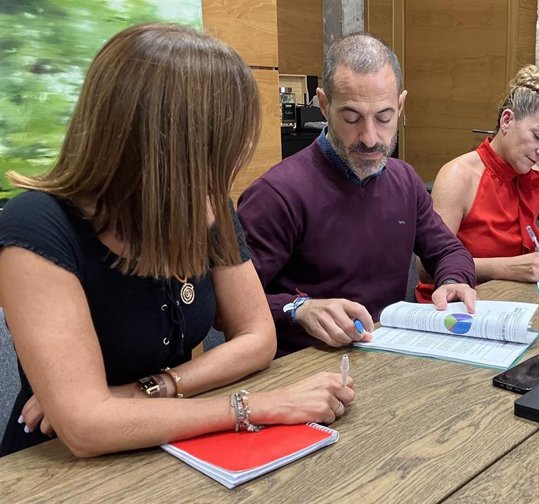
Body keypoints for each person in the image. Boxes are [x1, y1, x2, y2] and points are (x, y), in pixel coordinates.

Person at [0, 23, 354, 458]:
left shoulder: (205, 204)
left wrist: (151, 389)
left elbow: (257, 336)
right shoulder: (36, 227)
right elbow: (86, 428)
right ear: (174, 147)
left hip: (176, 446)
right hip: (54, 469)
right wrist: (255, 406)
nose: (239, 153)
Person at [237, 33, 477, 356]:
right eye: (351, 118)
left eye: (384, 117)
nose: (369, 138)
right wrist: (298, 309)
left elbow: (449, 251)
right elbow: (228, 308)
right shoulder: (278, 194)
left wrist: (453, 281)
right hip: (303, 371)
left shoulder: (404, 180)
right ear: (324, 105)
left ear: (401, 105)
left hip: (388, 356)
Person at [415, 65, 539, 300]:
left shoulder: (532, 177)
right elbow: (426, 268)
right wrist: (509, 268)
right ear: (507, 120)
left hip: (512, 300)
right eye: (538, 137)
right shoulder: (459, 176)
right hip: (455, 306)